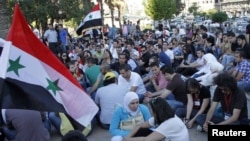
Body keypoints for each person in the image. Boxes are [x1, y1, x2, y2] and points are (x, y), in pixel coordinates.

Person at [123, 97, 189, 141]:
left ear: (156, 111)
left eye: (151, 109)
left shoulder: (169, 123)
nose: (150, 111)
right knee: (141, 130)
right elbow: (140, 125)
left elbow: (146, 140)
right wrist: (128, 137)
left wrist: (128, 139)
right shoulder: (164, 115)